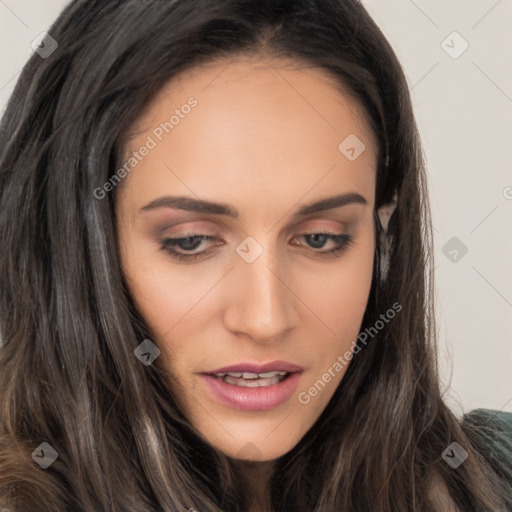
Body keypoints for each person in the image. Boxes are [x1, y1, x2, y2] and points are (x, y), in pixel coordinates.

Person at [0, 1, 510, 511]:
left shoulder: (491, 480)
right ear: (71, 243)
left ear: (384, 227)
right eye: (191, 241)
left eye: (320, 238)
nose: (265, 319)